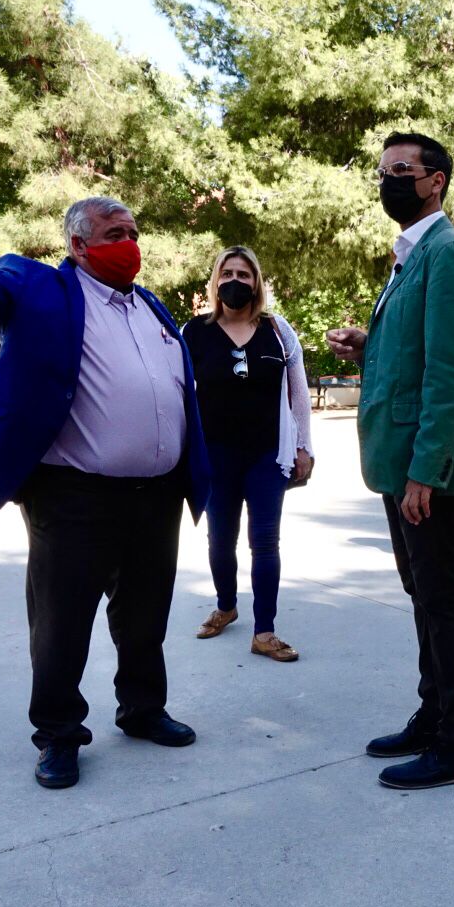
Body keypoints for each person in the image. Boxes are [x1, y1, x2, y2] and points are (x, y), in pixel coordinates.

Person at [0, 172, 212, 791]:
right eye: (113, 233)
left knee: (145, 615)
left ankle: (142, 709)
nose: (128, 242)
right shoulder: (40, 288)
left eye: (132, 232)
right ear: (79, 245)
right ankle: (58, 733)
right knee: (61, 622)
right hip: (73, 494)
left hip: (154, 494)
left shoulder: (151, 305)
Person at [325, 133, 454, 790]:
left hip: (427, 468)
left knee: (444, 597)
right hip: (402, 461)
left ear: (437, 181)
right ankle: (433, 717)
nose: (388, 181)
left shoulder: (450, 255)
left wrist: (426, 470)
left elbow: (452, 374)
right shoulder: (413, 257)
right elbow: (417, 349)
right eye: (382, 172)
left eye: (402, 170)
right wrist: (368, 345)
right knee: (426, 594)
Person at [183, 247, 315, 662]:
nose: (235, 281)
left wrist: (303, 447)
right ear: (216, 281)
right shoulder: (194, 332)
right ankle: (226, 606)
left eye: (244, 274)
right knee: (220, 540)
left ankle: (265, 631)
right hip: (215, 455)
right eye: (227, 273)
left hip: (265, 456)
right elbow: (179, 394)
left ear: (256, 282)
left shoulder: (278, 330)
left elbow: (298, 393)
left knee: (265, 541)